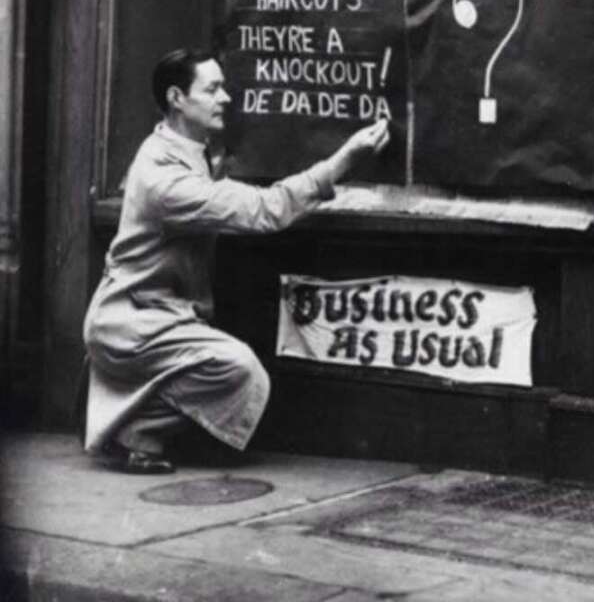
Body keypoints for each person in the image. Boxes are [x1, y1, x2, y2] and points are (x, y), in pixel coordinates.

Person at [83, 47, 389, 474]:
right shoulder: (165, 179)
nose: (226, 97)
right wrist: (342, 161)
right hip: (134, 324)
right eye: (212, 89)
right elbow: (265, 210)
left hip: (156, 317)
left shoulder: (188, 150)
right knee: (241, 372)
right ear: (176, 98)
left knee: (225, 367)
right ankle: (135, 430)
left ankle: (131, 425)